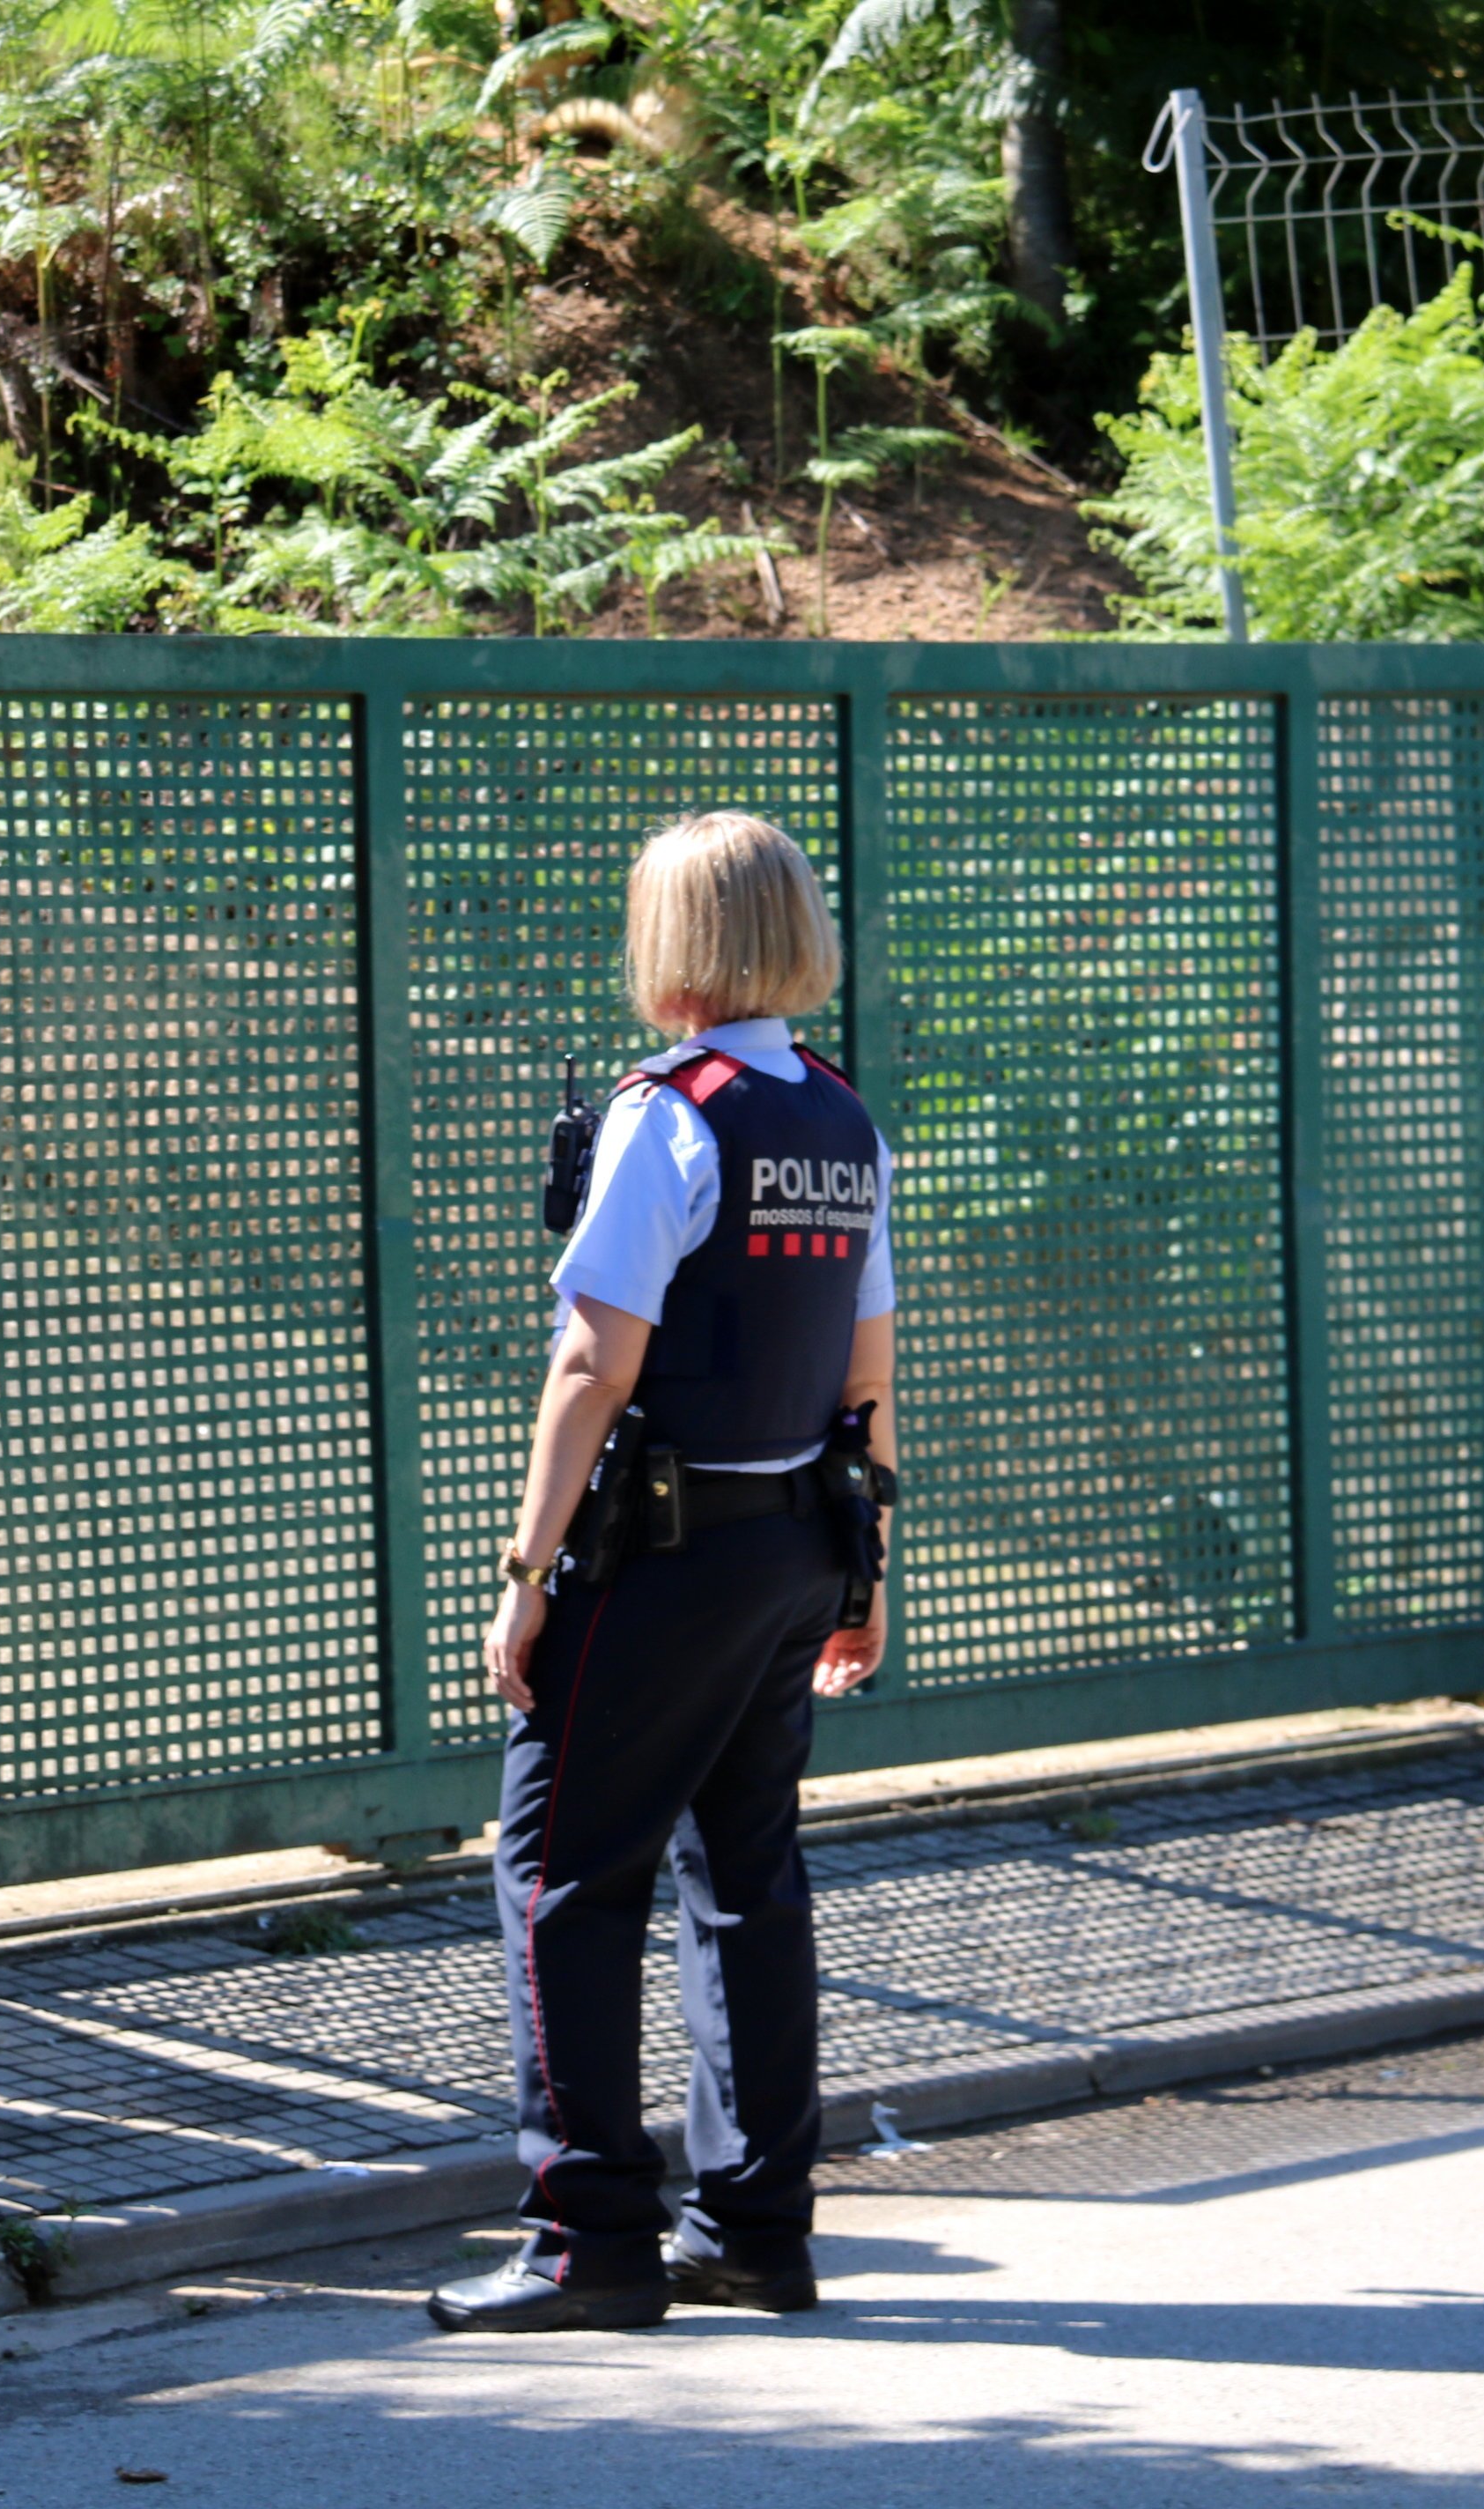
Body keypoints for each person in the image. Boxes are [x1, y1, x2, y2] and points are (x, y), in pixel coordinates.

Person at [427, 810, 897, 2335]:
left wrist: (530, 1560)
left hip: (663, 1553)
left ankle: (587, 2243)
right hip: (788, 1544)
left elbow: (591, 1357)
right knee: (744, 1880)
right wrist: (862, 1562)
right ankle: (755, 2225)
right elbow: (868, 1362)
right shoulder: (837, 1115)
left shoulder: (668, 1109)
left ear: (672, 941)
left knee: (559, 1873)